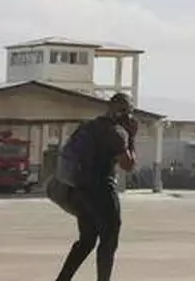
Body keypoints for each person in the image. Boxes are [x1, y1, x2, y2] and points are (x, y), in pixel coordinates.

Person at [54, 92, 138, 281]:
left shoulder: (88, 126)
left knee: (87, 240)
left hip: (80, 189)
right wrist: (131, 137)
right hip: (101, 189)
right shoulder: (115, 133)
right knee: (109, 237)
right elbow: (128, 165)